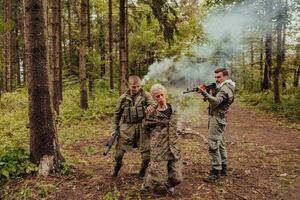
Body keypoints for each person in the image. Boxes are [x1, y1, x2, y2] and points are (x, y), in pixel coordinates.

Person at [111, 75, 155, 179]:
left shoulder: (146, 95)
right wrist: (114, 129)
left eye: (137, 86)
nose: (135, 89)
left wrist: (151, 107)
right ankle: (117, 166)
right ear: (129, 85)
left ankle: (143, 171)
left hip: (142, 128)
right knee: (118, 155)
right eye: (133, 86)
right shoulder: (123, 98)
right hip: (126, 128)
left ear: (140, 85)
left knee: (146, 157)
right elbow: (117, 114)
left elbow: (153, 104)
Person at [142, 84, 182, 195]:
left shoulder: (174, 110)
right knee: (158, 180)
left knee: (177, 178)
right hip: (159, 150)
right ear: (153, 98)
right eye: (157, 96)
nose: (160, 98)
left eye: (161, 95)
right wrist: (154, 139)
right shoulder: (152, 113)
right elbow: (145, 128)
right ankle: (146, 186)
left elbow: (176, 126)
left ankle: (169, 185)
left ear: (165, 94)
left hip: (174, 149)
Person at [198, 68, 235, 182]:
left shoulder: (225, 88)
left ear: (225, 76)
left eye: (219, 77)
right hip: (216, 117)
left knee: (213, 144)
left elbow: (215, 102)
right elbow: (211, 100)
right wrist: (207, 92)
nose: (216, 79)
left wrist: (204, 92)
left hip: (218, 119)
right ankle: (223, 168)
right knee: (220, 143)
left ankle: (215, 172)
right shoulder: (222, 86)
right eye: (215, 77)